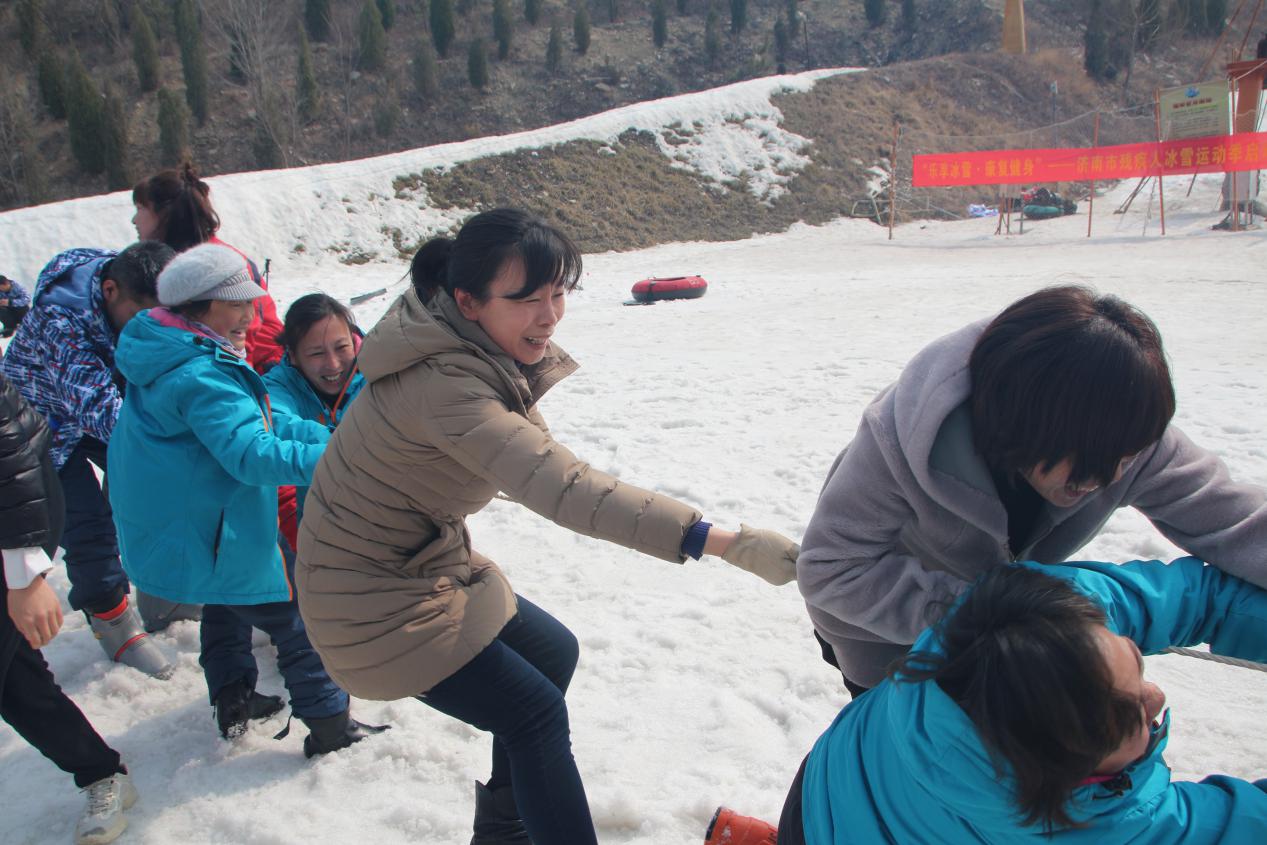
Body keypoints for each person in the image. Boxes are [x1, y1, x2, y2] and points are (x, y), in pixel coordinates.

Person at [295, 208, 799, 845]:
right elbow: (564, 488)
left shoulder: (461, 348)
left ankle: (503, 833)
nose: (549, 315)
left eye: (558, 293)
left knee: (552, 653)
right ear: (468, 300)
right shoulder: (446, 386)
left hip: (415, 566)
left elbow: (544, 463)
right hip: (365, 603)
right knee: (533, 714)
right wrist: (724, 542)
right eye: (526, 299)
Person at [797, 285, 1267, 696]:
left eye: (1123, 462)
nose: (1101, 481)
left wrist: (1003, 618)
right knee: (905, 752)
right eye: (1080, 469)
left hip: (998, 634)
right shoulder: (904, 436)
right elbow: (831, 568)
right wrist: (984, 610)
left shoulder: (1123, 435)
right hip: (879, 634)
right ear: (1017, 422)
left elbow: (1234, 521)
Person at [766, 557, 1267, 844]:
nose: (1155, 695)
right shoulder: (1106, 830)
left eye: (1134, 659)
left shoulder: (1016, 621)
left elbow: (1183, 595)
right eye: (1131, 716)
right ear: (1068, 775)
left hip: (824, 791)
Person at [108, 244, 386, 753]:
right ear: (197, 306)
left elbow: (259, 420)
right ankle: (331, 727)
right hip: (208, 525)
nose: (250, 316)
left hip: (194, 523)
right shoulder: (201, 374)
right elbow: (252, 452)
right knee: (296, 618)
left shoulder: (175, 350)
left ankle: (233, 698)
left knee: (226, 601)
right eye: (236, 304)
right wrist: (342, 458)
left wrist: (336, 440)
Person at [1, 243, 176, 676]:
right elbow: (97, 407)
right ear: (111, 291)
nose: (150, 325)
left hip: (103, 409)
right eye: (141, 316)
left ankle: (163, 590)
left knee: (158, 487)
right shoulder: (59, 320)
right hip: (42, 431)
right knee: (87, 524)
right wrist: (176, 439)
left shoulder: (127, 273)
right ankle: (112, 622)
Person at [1, 370, 139, 845]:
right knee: (14, 678)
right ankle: (102, 772)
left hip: (17, 516)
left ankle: (102, 773)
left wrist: (24, 574)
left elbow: (11, 457)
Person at [131, 162, 285, 374]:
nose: (134, 220)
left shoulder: (221, 266)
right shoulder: (167, 262)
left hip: (254, 373)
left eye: (140, 208)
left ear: (165, 214)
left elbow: (242, 341)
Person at [262, 293, 365, 553]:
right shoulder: (278, 385)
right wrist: (350, 446)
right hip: (322, 538)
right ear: (293, 355)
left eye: (341, 347)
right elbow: (278, 423)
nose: (333, 364)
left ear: (354, 341)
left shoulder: (380, 375)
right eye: (317, 353)